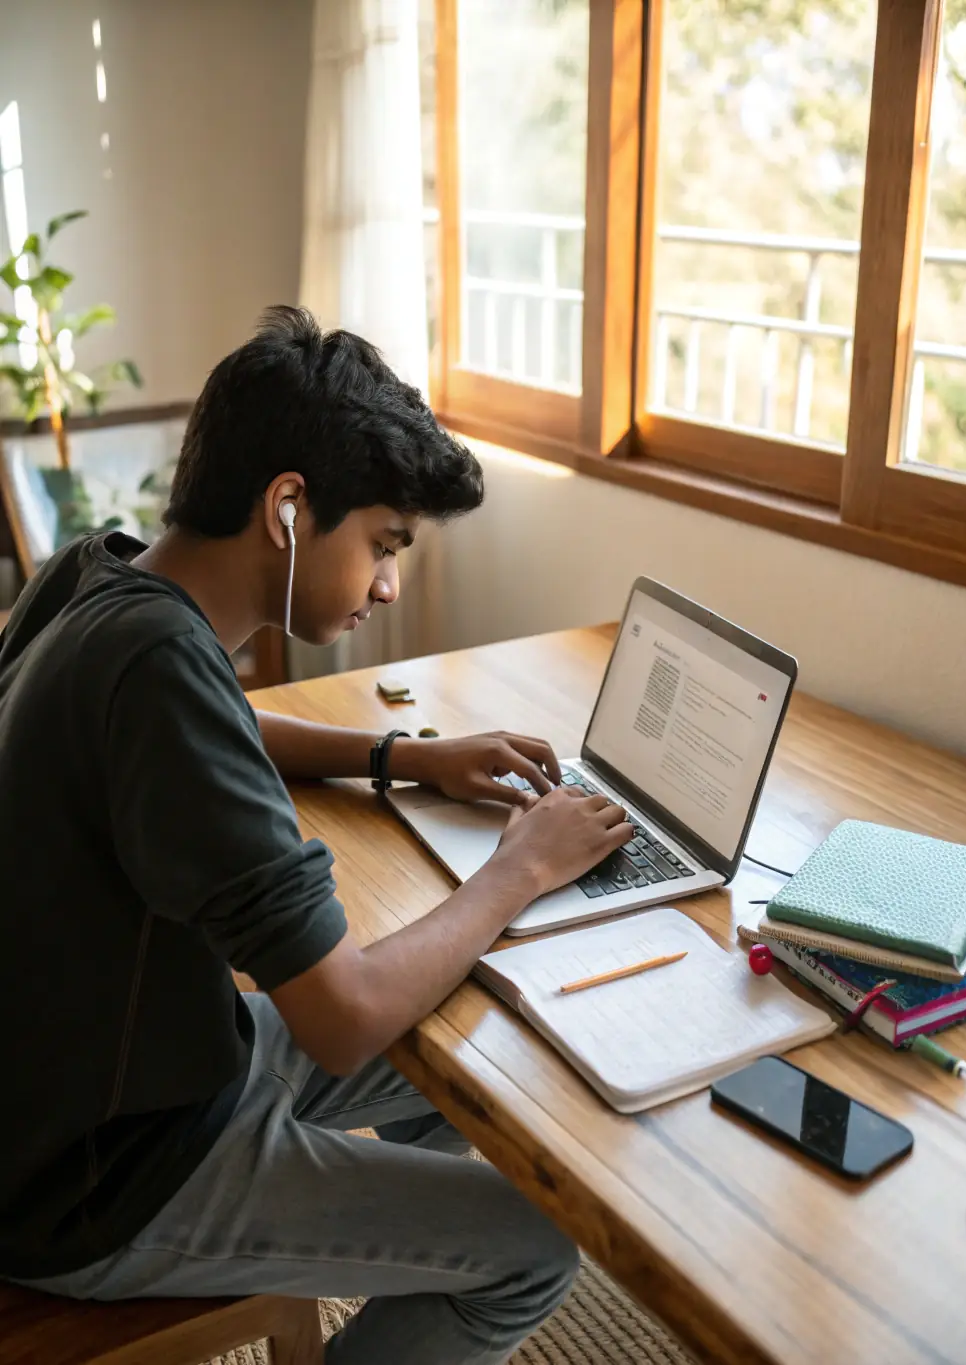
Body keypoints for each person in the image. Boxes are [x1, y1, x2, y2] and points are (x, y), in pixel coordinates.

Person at [0, 306, 632, 1364]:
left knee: (464, 1055)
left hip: (132, 1073)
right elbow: (342, 1020)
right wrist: (520, 869)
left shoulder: (96, 578)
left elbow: (216, 716)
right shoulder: (160, 672)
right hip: (99, 1177)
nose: (389, 585)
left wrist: (399, 755)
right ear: (289, 509)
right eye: (384, 544)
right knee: (536, 1247)